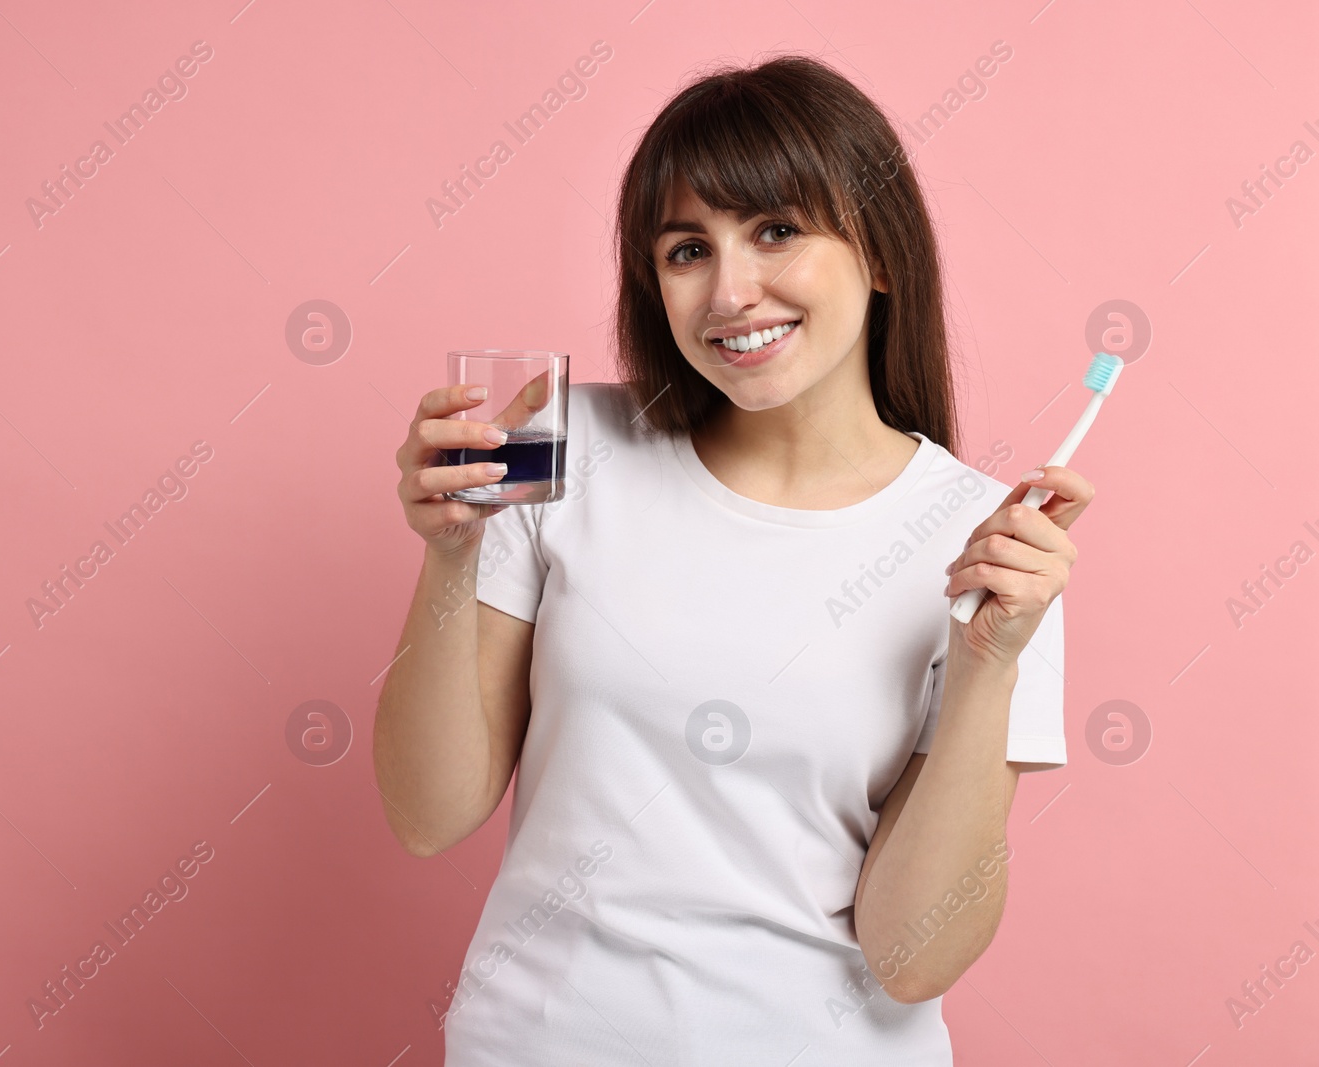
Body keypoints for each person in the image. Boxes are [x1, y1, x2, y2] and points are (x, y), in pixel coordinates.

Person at [375, 52, 1093, 1066]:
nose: (729, 290)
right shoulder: (567, 446)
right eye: (683, 249)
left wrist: (985, 667)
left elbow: (911, 954)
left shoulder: (990, 544)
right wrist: (451, 557)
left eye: (774, 230)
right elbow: (426, 813)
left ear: (879, 253)